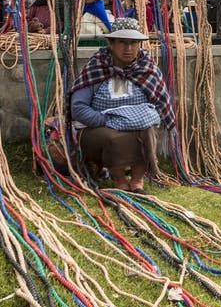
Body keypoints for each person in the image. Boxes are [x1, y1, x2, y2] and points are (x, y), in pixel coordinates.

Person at [70, 17, 175, 192]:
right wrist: (109, 120)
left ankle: (137, 181)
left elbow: (159, 103)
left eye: (133, 43)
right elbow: (78, 108)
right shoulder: (96, 68)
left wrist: (136, 118)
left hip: (138, 125)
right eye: (122, 42)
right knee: (116, 136)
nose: (128, 48)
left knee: (147, 130)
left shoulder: (147, 70)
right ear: (111, 44)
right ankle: (119, 179)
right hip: (96, 129)